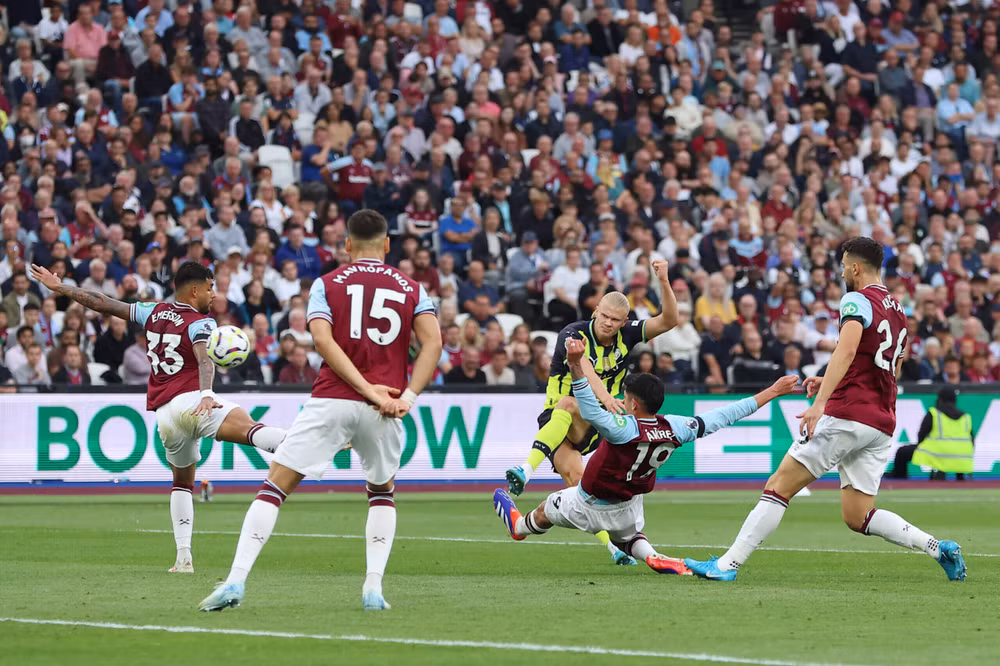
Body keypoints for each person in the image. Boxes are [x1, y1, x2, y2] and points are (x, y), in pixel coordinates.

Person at [199, 209, 442, 613]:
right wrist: (404, 398)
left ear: (346, 245)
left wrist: (364, 390)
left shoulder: (326, 284)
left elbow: (324, 343)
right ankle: (373, 589)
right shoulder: (415, 289)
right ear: (386, 244)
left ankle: (236, 580)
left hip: (332, 398)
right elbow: (433, 343)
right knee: (382, 493)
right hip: (386, 405)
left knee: (274, 487)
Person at [684, 238, 967, 582]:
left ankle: (726, 565)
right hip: (880, 421)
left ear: (855, 268)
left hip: (847, 414)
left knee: (778, 486)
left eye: (844, 265)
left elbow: (847, 351)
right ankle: (939, 547)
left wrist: (821, 404)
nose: (842, 272)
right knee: (858, 515)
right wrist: (830, 379)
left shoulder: (856, 299)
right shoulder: (898, 309)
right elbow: (891, 369)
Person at [30, 261, 286, 574]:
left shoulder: (152, 311)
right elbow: (206, 361)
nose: (214, 294)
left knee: (182, 483)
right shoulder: (200, 323)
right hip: (192, 401)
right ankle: (310, 445)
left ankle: (183, 559)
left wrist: (61, 288)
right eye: (210, 288)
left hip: (165, 414)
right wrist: (207, 393)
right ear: (194, 290)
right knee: (249, 428)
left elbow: (101, 303)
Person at [494, 337, 799, 574]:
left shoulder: (621, 428)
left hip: (587, 503)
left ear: (634, 404)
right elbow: (724, 415)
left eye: (626, 398)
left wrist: (575, 363)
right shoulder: (676, 427)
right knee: (625, 538)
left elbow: (585, 405)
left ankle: (518, 527)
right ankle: (652, 555)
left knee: (546, 509)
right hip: (630, 507)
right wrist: (771, 392)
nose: (622, 401)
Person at [505, 260, 679, 566]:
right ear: (595, 309)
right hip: (562, 422)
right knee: (571, 415)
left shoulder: (627, 335)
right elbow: (582, 365)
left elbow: (669, 321)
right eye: (604, 315)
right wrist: (606, 399)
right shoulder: (574, 333)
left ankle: (609, 544)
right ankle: (525, 472)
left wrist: (664, 281)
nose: (608, 323)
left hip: (599, 421)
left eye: (615, 319)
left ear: (624, 322)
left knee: (589, 488)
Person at [893, 388, 975, 481]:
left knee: (902, 452)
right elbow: (972, 441)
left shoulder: (934, 413)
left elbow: (921, 435)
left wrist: (924, 448)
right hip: (963, 457)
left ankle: (899, 478)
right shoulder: (966, 417)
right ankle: (960, 476)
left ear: (939, 400)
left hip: (939, 455)